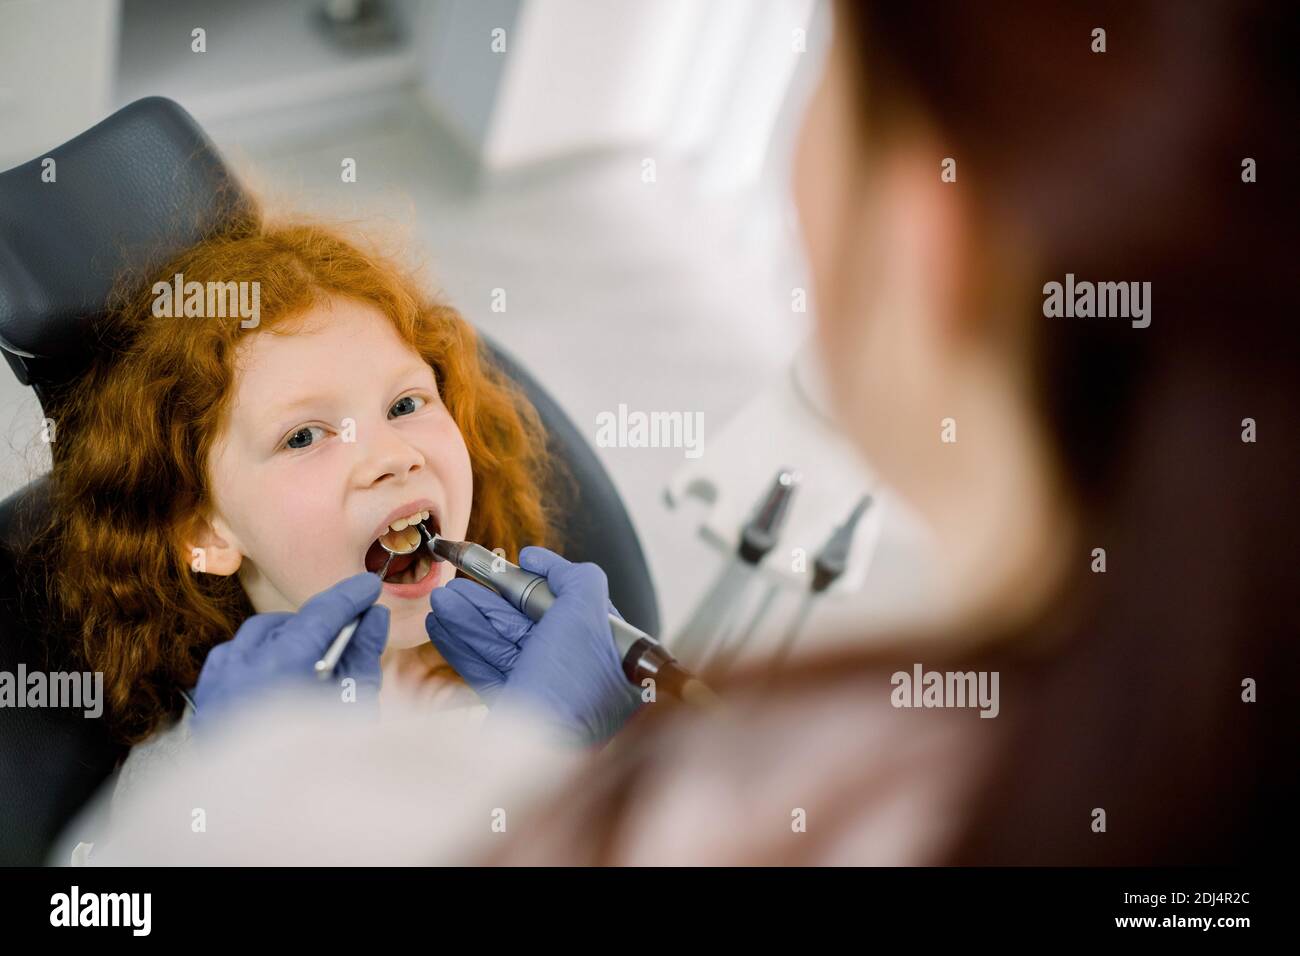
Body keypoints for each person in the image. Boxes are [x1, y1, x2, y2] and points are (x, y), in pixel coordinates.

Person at [81, 0, 1296, 865]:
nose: (393, 451)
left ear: (932, 224)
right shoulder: (186, 778)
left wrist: (607, 761)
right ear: (201, 531)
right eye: (305, 439)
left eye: (409, 403)